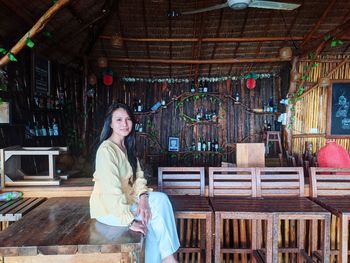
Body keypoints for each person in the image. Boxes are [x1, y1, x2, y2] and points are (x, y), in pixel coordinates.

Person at [90, 102, 180, 263]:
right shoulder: (106, 150)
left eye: (128, 119)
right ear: (110, 123)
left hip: (128, 201)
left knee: (160, 202)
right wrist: (129, 221)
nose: (124, 124)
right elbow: (111, 191)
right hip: (109, 210)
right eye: (118, 119)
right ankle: (169, 259)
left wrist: (144, 198)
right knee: (155, 213)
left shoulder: (126, 147)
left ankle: (165, 259)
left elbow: (139, 177)